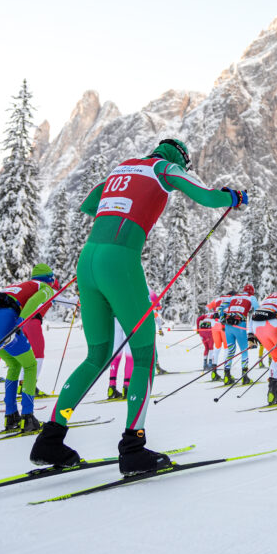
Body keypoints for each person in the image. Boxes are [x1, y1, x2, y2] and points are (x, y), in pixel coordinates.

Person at [30, 139, 247, 473]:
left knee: (96, 356)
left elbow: (90, 205)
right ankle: (133, 447)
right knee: (145, 354)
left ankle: (50, 441)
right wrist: (232, 196)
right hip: (120, 260)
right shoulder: (164, 167)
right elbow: (205, 195)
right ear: (180, 158)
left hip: (88, 259)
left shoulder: (123, 167)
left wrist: (120, 211)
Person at [0, 265, 63, 432]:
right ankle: (28, 416)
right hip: (4, 324)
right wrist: (21, 322)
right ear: (49, 278)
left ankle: (10, 415)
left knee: (14, 364)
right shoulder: (45, 287)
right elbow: (33, 302)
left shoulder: (16, 286)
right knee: (31, 365)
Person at [222, 284, 259, 385]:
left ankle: (227, 376)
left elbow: (222, 305)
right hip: (240, 325)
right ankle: (244, 377)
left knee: (230, 350)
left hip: (228, 325)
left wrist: (222, 317)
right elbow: (257, 310)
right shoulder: (251, 297)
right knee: (244, 351)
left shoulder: (234, 296)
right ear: (252, 292)